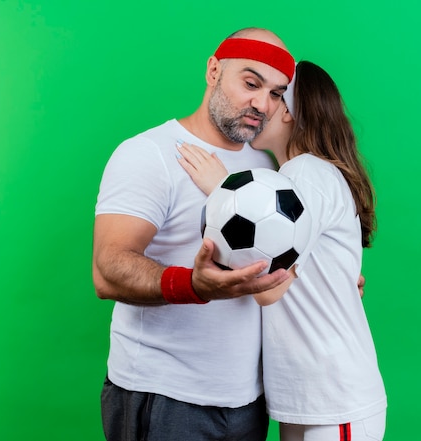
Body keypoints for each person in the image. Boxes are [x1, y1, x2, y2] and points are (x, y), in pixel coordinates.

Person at [92, 28, 297, 441]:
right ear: (214, 70)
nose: (262, 104)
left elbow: (270, 275)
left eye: (276, 93)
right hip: (163, 396)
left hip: (248, 400)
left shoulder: (267, 168)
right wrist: (195, 285)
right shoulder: (149, 153)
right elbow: (107, 270)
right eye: (251, 83)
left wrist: (328, 279)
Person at [176, 61, 387, 440]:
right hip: (309, 398)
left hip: (334, 398)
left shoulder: (306, 173)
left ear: (288, 111)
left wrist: (223, 189)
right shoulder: (297, 176)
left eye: (275, 96)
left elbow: (270, 287)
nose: (261, 107)